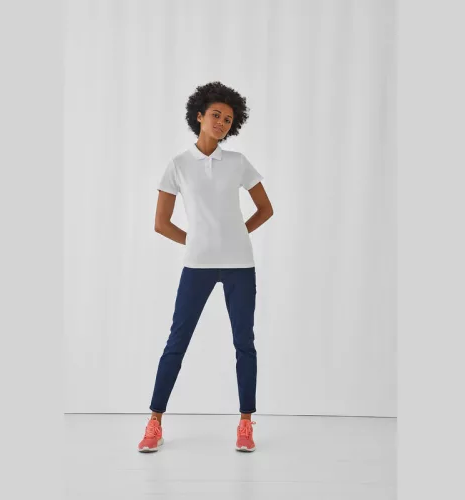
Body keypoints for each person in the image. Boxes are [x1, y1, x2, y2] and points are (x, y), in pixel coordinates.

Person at [138, 81, 274, 453]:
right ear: (199, 116)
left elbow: (266, 209)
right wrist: (196, 240)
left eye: (228, 119)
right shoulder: (179, 165)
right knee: (176, 343)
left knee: (244, 344)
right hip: (197, 265)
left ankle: (245, 423)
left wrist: (236, 235)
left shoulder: (238, 163)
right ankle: (154, 422)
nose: (221, 123)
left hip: (239, 265)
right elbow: (161, 223)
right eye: (216, 115)